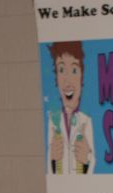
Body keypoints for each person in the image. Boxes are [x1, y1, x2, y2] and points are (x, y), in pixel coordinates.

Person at [46, 40, 95, 174]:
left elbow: (93, 172)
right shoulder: (52, 120)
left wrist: (87, 160)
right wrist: (52, 159)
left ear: (81, 77)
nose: (67, 80)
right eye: (61, 70)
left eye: (74, 70)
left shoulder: (86, 121)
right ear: (56, 77)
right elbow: (49, 172)